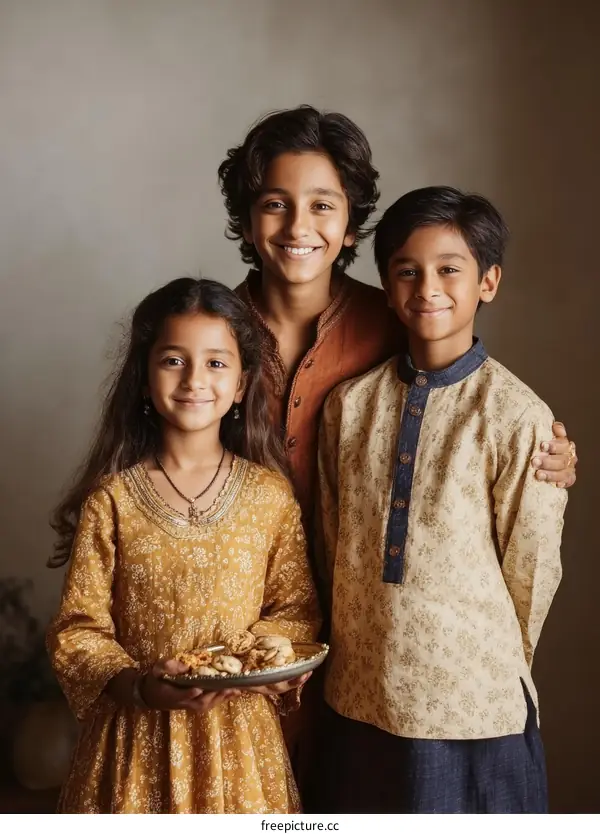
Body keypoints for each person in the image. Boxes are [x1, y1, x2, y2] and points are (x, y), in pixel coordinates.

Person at [218, 106, 578, 803]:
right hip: (250, 636)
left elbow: (518, 522)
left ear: (350, 224)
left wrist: (554, 459)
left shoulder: (398, 319)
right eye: (275, 204)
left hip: (419, 669)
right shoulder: (210, 333)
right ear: (247, 215)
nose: (299, 227)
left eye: (322, 205)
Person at [317, 186, 570, 813]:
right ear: (386, 282)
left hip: (473, 702)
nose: (426, 287)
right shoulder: (349, 406)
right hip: (360, 690)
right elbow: (330, 538)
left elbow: (532, 564)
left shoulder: (519, 418)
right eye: (407, 270)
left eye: (448, 269)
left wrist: (494, 666)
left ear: (487, 283)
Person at [47, 278, 320, 814]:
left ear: (242, 383)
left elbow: (295, 611)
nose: (195, 378)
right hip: (132, 746)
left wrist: (260, 659)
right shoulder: (114, 499)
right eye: (173, 360)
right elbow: (78, 630)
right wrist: (141, 686)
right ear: (145, 379)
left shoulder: (269, 497)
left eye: (217, 363)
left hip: (239, 745)